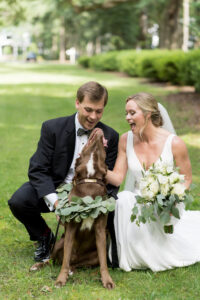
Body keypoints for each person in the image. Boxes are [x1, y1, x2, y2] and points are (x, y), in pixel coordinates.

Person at [8, 81, 119, 265]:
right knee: (19, 200)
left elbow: (109, 180)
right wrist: (57, 203)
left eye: (99, 111)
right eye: (88, 109)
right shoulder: (52, 128)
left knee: (114, 208)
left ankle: (96, 249)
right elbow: (38, 169)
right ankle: (44, 236)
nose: (93, 116)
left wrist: (96, 203)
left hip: (89, 194)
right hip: (55, 186)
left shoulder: (110, 136)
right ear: (77, 103)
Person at [106, 92, 200, 272]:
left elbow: (187, 179)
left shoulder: (175, 143)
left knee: (130, 202)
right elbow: (118, 177)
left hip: (167, 203)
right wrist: (96, 167)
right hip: (137, 200)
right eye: (126, 113)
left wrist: (172, 199)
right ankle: (125, 255)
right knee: (124, 198)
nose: (127, 118)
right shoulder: (126, 140)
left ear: (148, 114)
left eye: (132, 113)